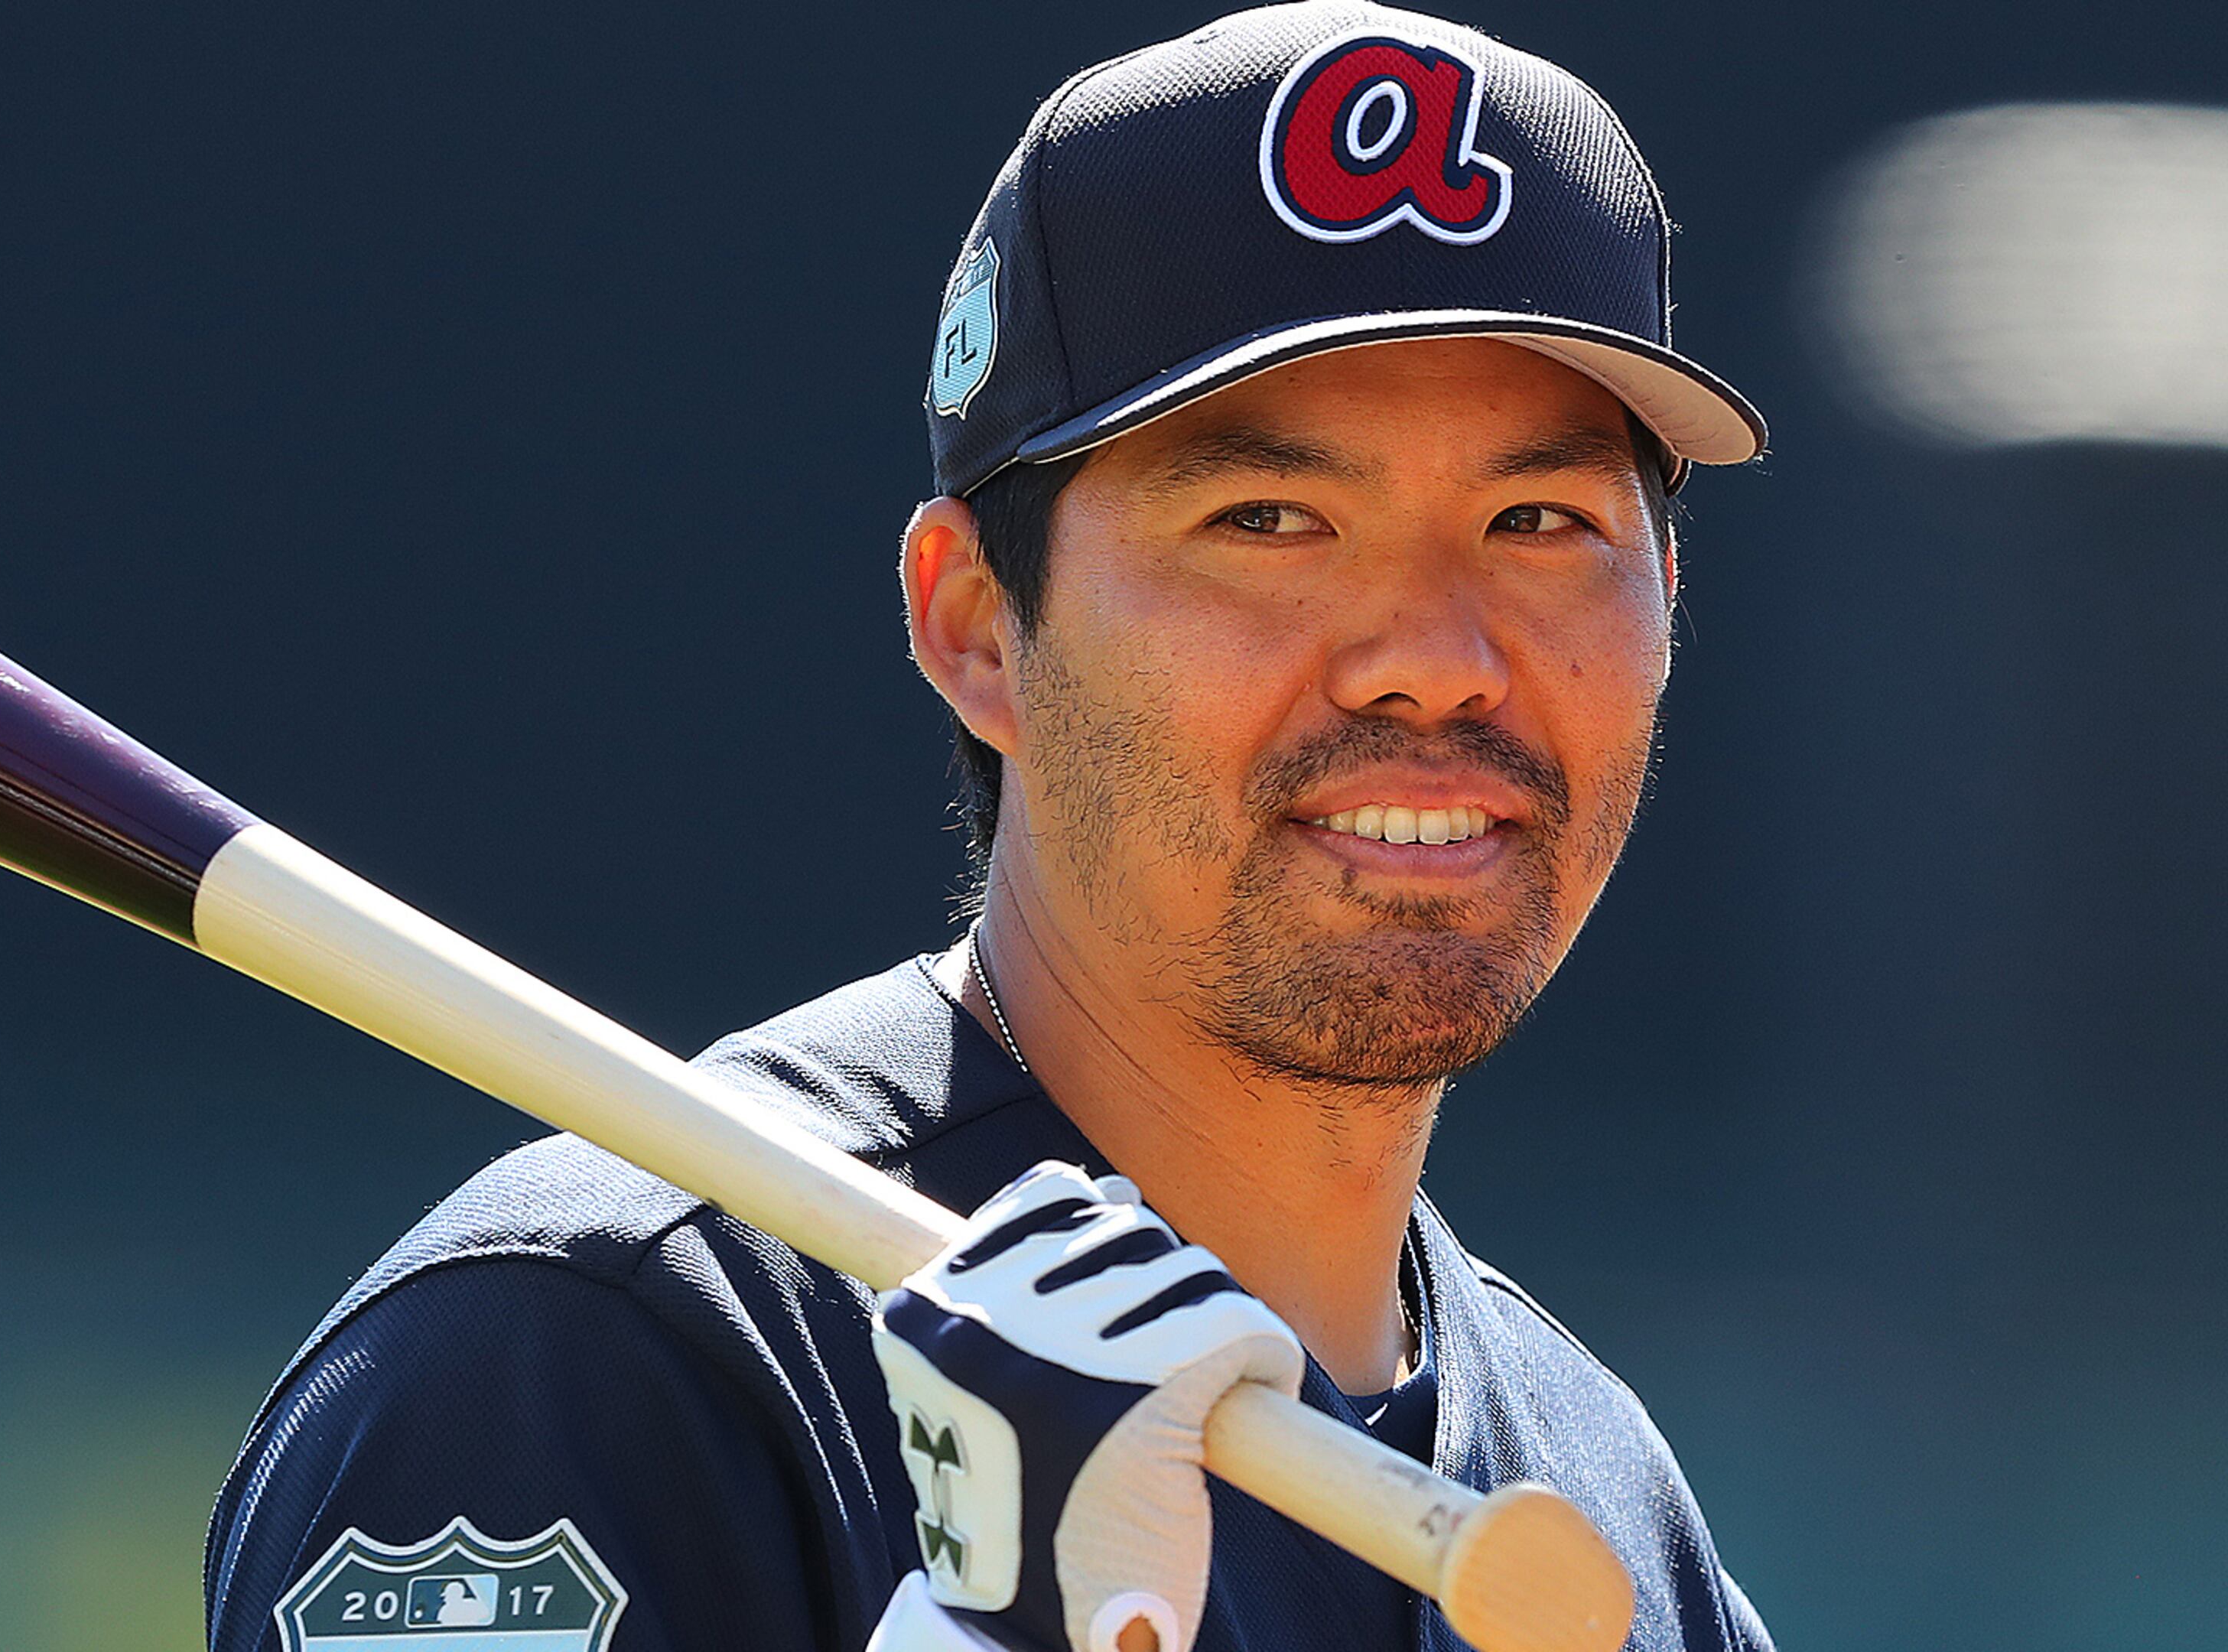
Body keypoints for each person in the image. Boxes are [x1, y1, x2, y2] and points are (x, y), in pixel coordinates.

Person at [204, 5, 1775, 1650]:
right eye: (1271, 521)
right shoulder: (589, 1363)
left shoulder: (1600, 1502)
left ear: (1668, 598)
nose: (1437, 659)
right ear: (972, 624)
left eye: (1540, 520)